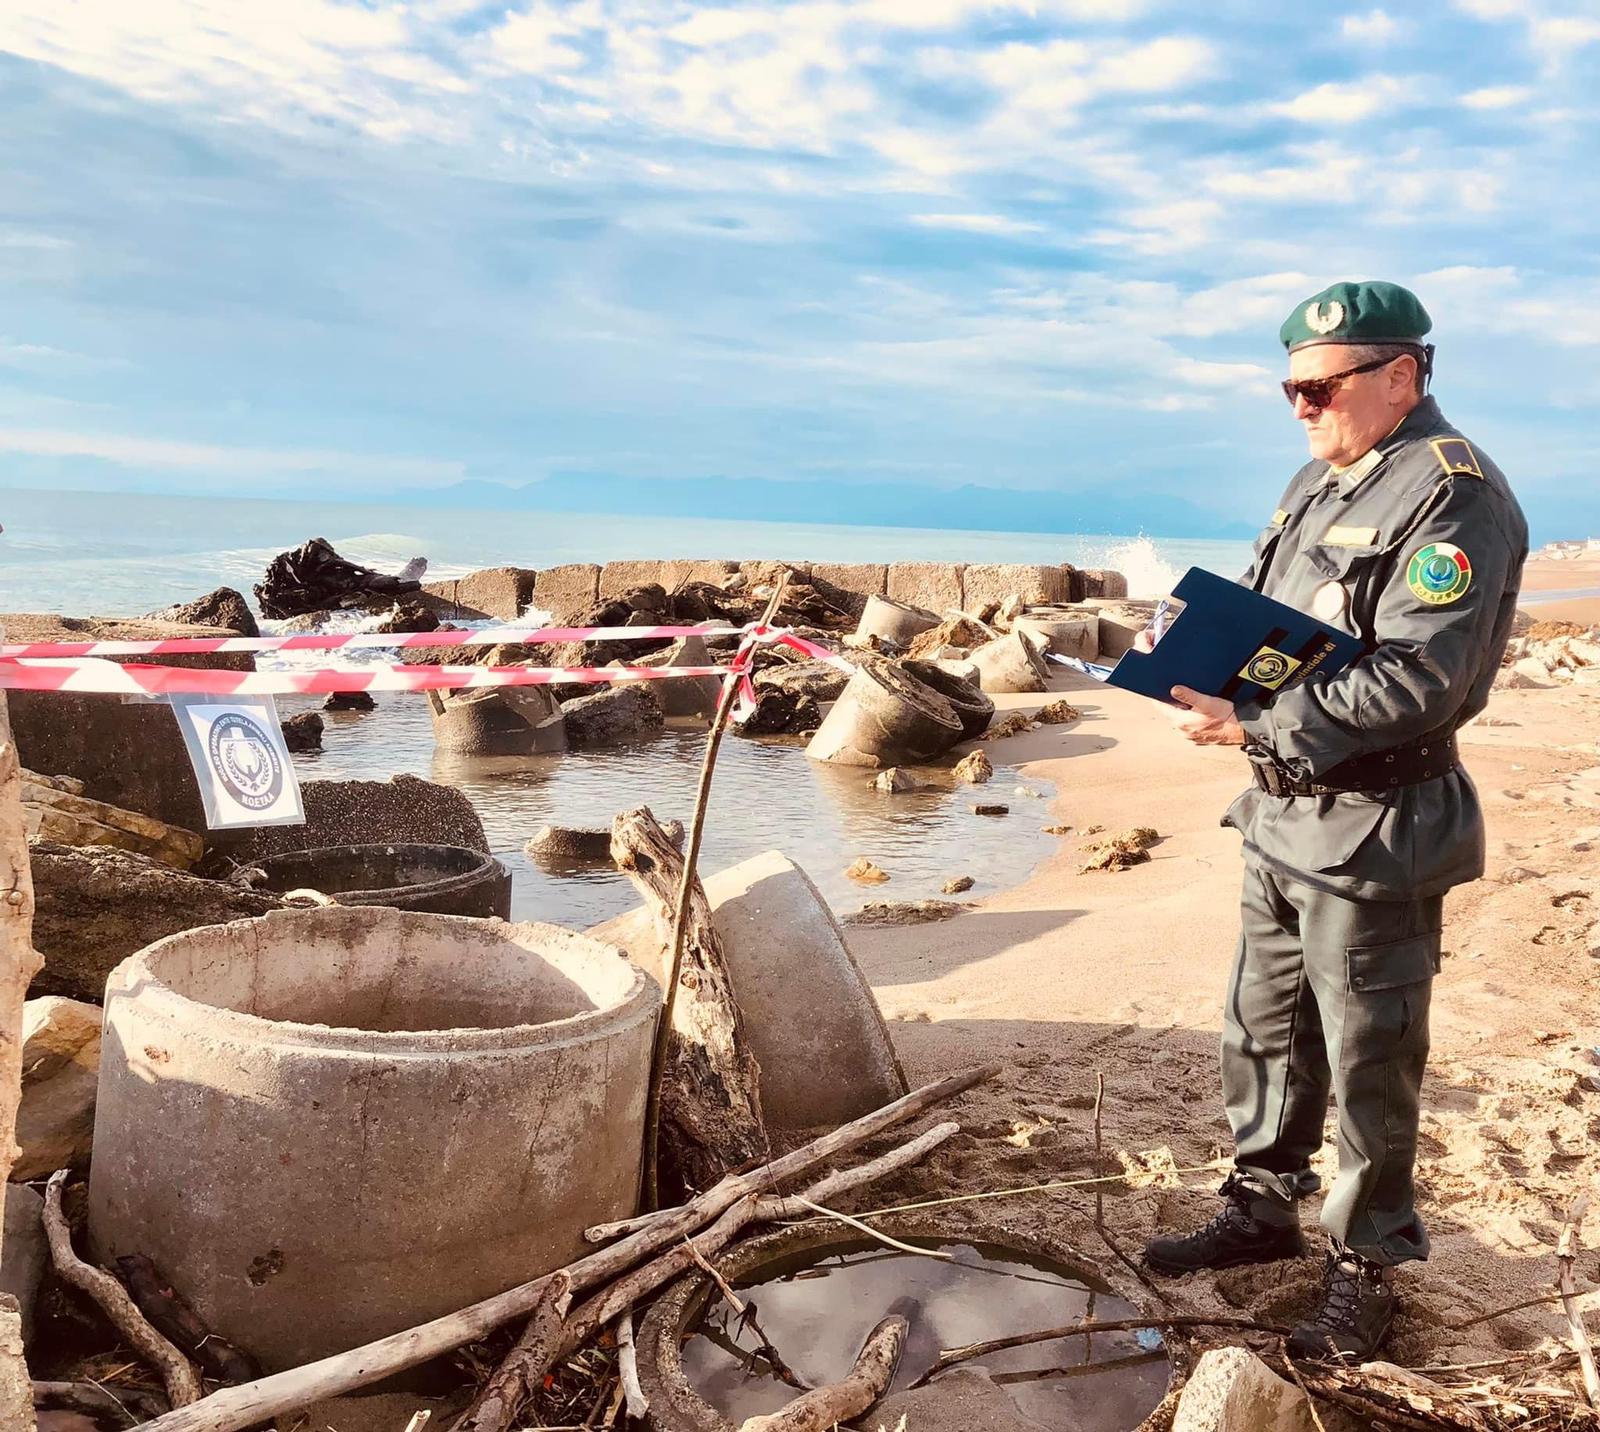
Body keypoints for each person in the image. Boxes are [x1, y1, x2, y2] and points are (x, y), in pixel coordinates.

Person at [1141, 281, 1527, 1360]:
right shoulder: (1322, 477)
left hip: (1376, 823)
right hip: (1278, 813)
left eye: (1320, 386)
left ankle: (1366, 1265)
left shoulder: (1453, 497)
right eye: (1289, 389)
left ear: (1402, 375)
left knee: (1367, 1054)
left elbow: (1422, 682)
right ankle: (1261, 1210)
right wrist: (1198, 666)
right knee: (1262, 1028)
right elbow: (1278, 626)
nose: (1300, 408)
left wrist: (1255, 719)